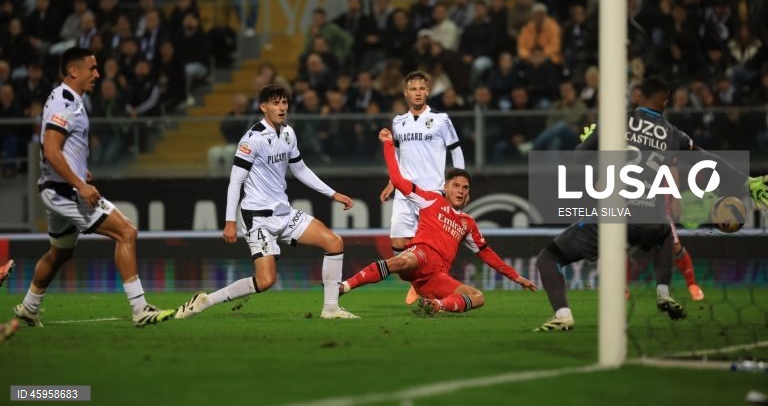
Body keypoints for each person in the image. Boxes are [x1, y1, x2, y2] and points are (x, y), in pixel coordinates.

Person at [534, 77, 768, 331]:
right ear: (666, 103)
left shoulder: (618, 121)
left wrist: (594, 140)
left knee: (550, 257)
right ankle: (663, 292)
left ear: (637, 97)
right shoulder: (674, 135)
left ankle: (563, 315)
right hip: (651, 221)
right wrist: (746, 182)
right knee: (666, 232)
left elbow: (580, 159)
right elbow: (709, 160)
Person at [14, 48, 176, 328]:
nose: (97, 74)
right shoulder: (67, 102)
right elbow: (52, 150)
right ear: (73, 71)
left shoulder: (64, 98)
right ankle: (140, 308)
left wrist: (78, 168)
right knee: (126, 232)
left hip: (58, 187)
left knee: (60, 252)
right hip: (66, 191)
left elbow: (57, 149)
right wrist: (80, 184)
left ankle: (29, 307)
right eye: (92, 69)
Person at [175, 85, 359, 319]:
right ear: (263, 107)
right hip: (257, 217)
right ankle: (205, 301)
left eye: (284, 102)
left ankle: (331, 309)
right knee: (265, 281)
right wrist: (230, 221)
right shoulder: (252, 140)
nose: (282, 107)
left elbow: (301, 170)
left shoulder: (288, 133)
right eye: (276, 103)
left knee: (334, 243)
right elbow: (235, 182)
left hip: (283, 213)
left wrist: (332, 194)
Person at [341, 128, 536, 314]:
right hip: (420, 256)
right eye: (456, 185)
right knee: (404, 259)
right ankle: (345, 286)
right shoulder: (431, 199)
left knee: (478, 297)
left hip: (436, 276)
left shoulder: (467, 223)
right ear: (446, 187)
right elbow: (398, 180)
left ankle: (436, 305)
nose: (460, 190)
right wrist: (388, 145)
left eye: (465, 187)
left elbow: (486, 254)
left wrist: (516, 276)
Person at [379, 71, 465, 304]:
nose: (417, 92)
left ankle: (424, 286)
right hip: (405, 192)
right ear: (406, 93)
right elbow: (397, 154)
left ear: (427, 91)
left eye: (421, 88)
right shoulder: (399, 121)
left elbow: (455, 149)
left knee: (431, 246)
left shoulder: (441, 119)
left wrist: (459, 184)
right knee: (398, 242)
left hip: (432, 193)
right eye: (413, 89)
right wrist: (390, 182)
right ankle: (420, 283)